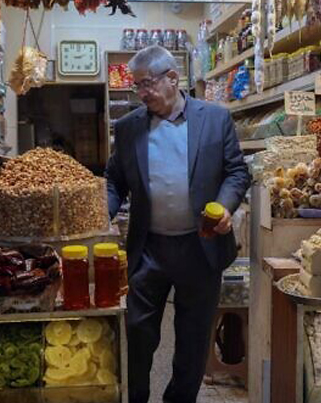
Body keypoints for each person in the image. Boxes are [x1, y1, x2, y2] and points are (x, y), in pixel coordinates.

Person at [105, 45, 251, 403]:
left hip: (199, 248)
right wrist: (99, 217)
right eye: (136, 86)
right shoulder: (127, 128)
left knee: (193, 338)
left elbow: (236, 171)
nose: (141, 93)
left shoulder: (215, 119)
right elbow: (114, 181)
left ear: (173, 77)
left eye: (147, 84)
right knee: (138, 332)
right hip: (149, 248)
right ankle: (136, 396)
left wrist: (225, 205)